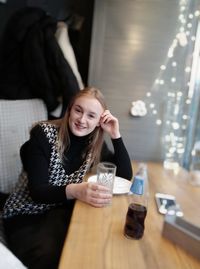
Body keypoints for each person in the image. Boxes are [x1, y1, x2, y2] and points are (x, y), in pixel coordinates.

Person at [3, 87, 133, 269]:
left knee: (90, 250)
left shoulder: (94, 144)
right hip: (27, 214)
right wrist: (77, 190)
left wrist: (115, 135)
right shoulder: (43, 134)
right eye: (78, 110)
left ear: (99, 122)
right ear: (69, 110)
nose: (82, 119)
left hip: (60, 214)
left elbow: (124, 177)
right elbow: (37, 192)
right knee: (54, 259)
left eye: (91, 115)